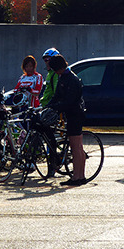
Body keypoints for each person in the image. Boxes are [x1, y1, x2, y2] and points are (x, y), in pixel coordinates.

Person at [46, 54, 87, 187]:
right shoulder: (64, 76)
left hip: (75, 114)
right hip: (74, 113)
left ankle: (77, 177)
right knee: (78, 147)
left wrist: (55, 107)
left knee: (76, 147)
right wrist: (48, 106)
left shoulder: (71, 79)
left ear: (59, 68)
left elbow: (69, 101)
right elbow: (57, 96)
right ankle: (81, 176)